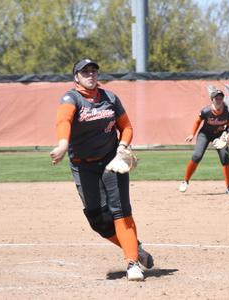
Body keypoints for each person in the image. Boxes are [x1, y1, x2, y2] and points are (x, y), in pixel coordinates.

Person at [50, 58, 153, 281]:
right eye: (84, 72)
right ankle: (135, 247)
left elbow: (126, 127)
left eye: (94, 71)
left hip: (111, 160)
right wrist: (62, 144)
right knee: (97, 219)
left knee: (120, 210)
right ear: (75, 76)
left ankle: (132, 262)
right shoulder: (71, 98)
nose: (90, 75)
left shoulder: (110, 98)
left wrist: (123, 147)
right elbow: (64, 121)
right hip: (82, 165)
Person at [179, 89, 229, 195]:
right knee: (197, 156)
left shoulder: (228, 111)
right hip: (205, 134)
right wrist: (192, 134)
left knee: (225, 157)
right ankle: (185, 181)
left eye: (221, 98)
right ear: (212, 100)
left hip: (219, 136)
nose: (219, 100)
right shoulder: (206, 111)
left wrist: (225, 134)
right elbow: (197, 121)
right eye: (216, 98)